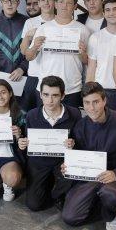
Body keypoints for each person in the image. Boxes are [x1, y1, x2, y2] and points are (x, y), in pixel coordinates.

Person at [60, 82, 116, 230]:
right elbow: (78, 156)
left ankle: (111, 214)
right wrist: (68, 165)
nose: (92, 108)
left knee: (110, 195)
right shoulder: (80, 125)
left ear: (104, 101)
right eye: (87, 103)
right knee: (70, 217)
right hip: (90, 178)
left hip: (115, 177)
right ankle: (102, 207)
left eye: (96, 102)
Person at [18, 76, 79, 211]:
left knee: (66, 196)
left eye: (55, 95)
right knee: (34, 205)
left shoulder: (74, 114)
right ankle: (48, 184)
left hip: (61, 162)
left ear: (63, 96)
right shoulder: (31, 115)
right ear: (40, 95)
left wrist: (73, 144)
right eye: (46, 95)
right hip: (39, 162)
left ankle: (58, 192)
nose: (50, 100)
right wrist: (22, 144)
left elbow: (80, 142)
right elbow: (27, 142)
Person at [27, 0, 90, 108]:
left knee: (71, 125)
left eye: (69, 3)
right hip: (46, 90)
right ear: (55, 4)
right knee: (43, 125)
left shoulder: (83, 30)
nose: (64, 6)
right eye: (61, 2)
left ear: (75, 6)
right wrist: (35, 46)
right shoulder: (43, 28)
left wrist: (82, 53)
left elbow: (88, 61)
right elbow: (29, 57)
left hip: (72, 89)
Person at [86, 0, 116, 112]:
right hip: (101, 91)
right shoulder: (95, 37)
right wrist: (88, 94)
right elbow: (91, 68)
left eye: (115, 9)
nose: (111, 13)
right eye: (107, 10)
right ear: (103, 13)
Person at [20, 0, 56, 111]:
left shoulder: (61, 21)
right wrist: (30, 38)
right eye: (43, 0)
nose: (46, 3)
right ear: (39, 2)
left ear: (55, 1)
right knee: (32, 113)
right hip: (34, 75)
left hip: (54, 74)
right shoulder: (30, 22)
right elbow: (24, 51)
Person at [0, 0, 29, 86]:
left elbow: (33, 50)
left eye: (13, 0)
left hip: (22, 77)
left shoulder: (27, 23)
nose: (9, 4)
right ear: (1, 3)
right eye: (6, 1)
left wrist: (22, 68)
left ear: (18, 2)